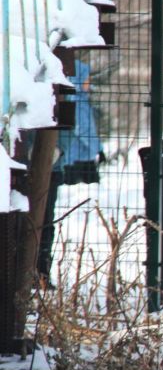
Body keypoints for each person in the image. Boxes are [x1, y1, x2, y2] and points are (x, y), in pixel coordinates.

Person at [38, 60, 104, 289]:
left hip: (58, 162)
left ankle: (41, 273)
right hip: (60, 162)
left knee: (45, 221)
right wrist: (97, 150)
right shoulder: (70, 99)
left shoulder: (71, 98)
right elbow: (81, 128)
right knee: (45, 221)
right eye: (86, 79)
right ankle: (40, 273)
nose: (89, 84)